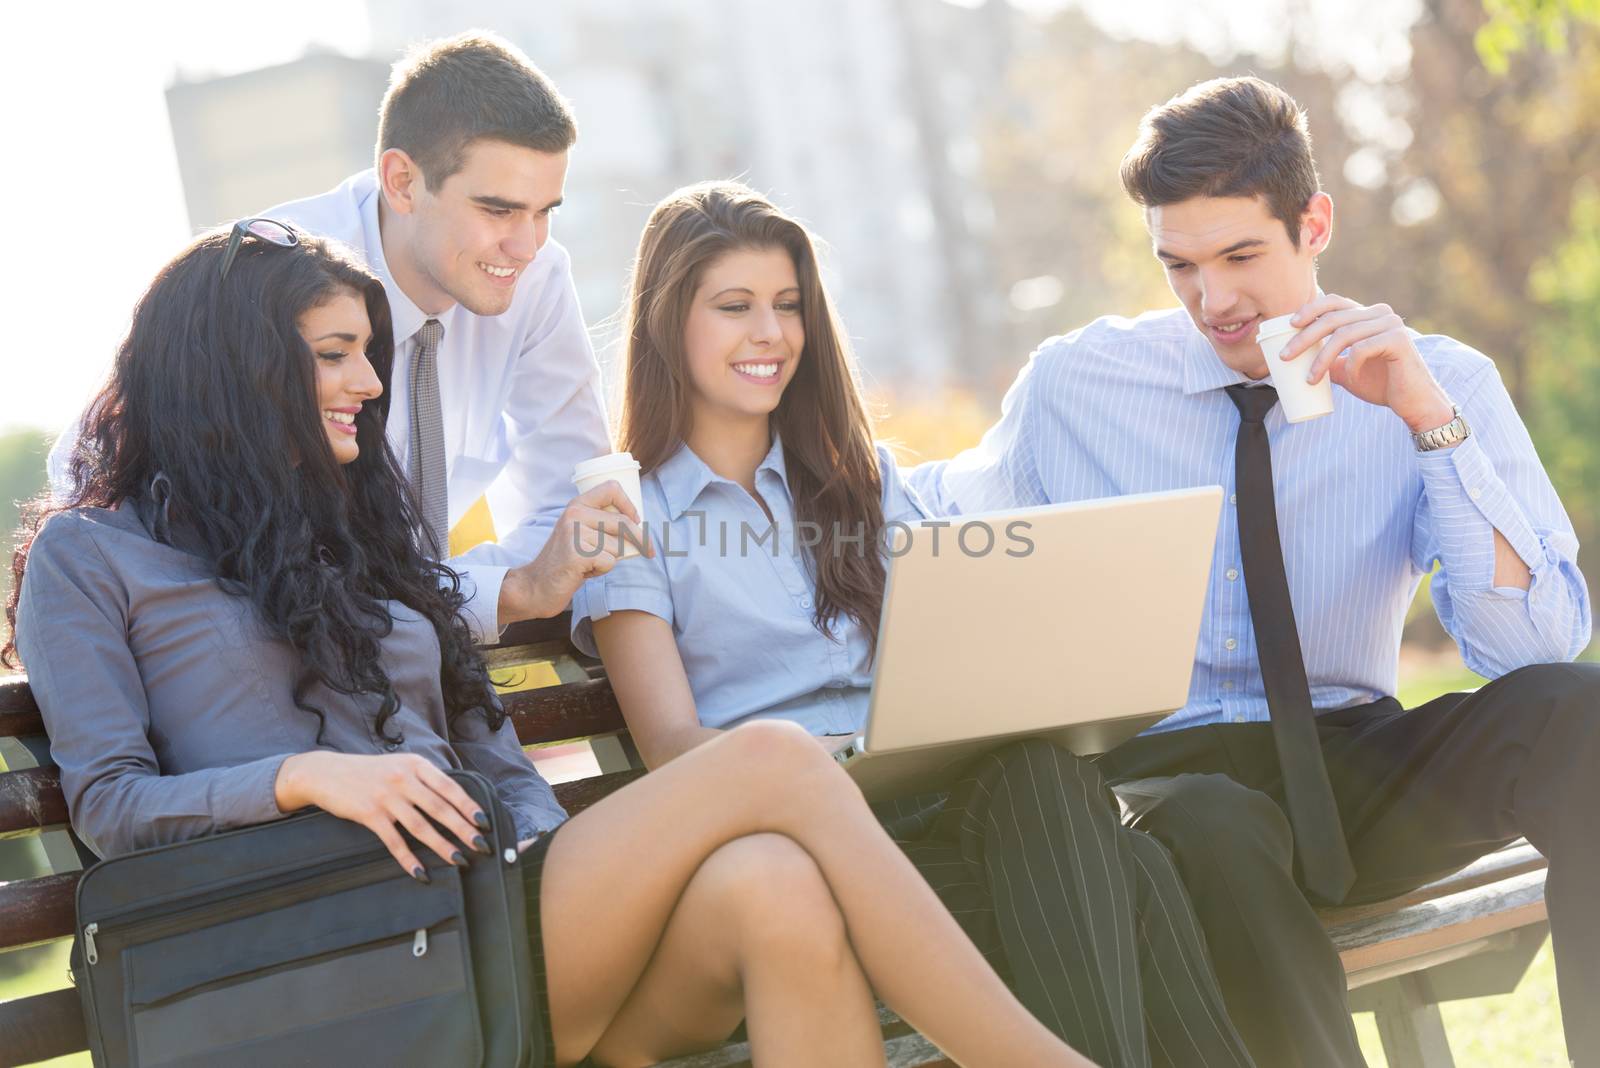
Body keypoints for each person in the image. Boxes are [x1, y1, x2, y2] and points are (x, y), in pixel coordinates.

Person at [7, 224, 1098, 1068]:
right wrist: (306, 777)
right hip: (338, 960)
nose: (372, 384)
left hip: (490, 919)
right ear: (232, 374)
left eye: (369, 353)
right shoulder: (92, 561)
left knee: (770, 883)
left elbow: (487, 758)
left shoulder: (352, 530)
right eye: (336, 355)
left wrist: (554, 865)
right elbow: (108, 807)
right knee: (773, 762)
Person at [910, 75, 1599, 1068]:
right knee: (1213, 825)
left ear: (1312, 224)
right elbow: (933, 516)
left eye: (1240, 256)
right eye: (1179, 265)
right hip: (1164, 781)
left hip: (1355, 766)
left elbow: (1529, 649)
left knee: (1579, 715)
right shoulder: (1076, 387)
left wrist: (1423, 419)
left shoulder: (1441, 378)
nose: (1213, 299)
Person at [570, 181, 1254, 1068]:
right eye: (734, 307)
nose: (770, 334)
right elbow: (666, 744)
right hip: (801, 850)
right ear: (669, 324)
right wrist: (817, 767)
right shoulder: (626, 513)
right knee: (1134, 876)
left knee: (1046, 775)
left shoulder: (864, 479)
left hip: (938, 806)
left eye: (787, 306)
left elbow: (949, 650)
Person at [49, 31, 624, 640]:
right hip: (266, 645)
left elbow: (581, 505)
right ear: (402, 181)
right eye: (499, 210)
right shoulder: (269, 273)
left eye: (545, 211)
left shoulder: (536, 275)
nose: (528, 245)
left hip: (394, 650)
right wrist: (496, 589)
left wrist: (455, 591)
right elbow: (85, 474)